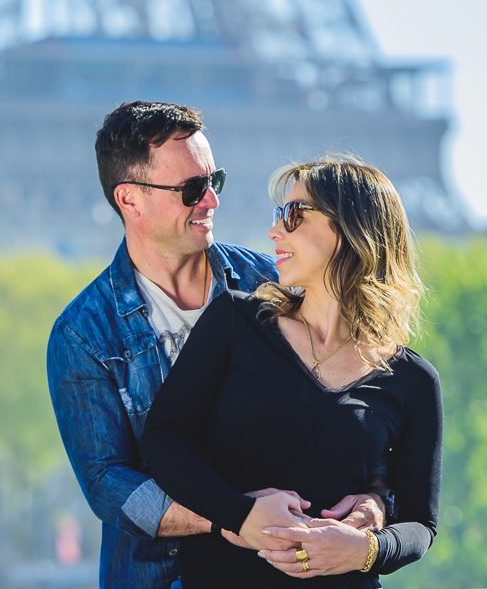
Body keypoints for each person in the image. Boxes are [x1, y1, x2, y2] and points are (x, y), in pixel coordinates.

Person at [47, 105, 386, 589]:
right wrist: (235, 517)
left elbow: (367, 405)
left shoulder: (275, 284)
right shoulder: (81, 334)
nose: (211, 201)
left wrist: (376, 498)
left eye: (215, 181)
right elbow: (108, 484)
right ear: (130, 200)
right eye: (190, 189)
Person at [140, 155, 443, 588]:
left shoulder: (413, 380)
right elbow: (163, 438)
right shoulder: (235, 321)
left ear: (350, 228)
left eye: (293, 214)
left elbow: (420, 525)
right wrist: (239, 515)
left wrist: (367, 550)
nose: (274, 230)